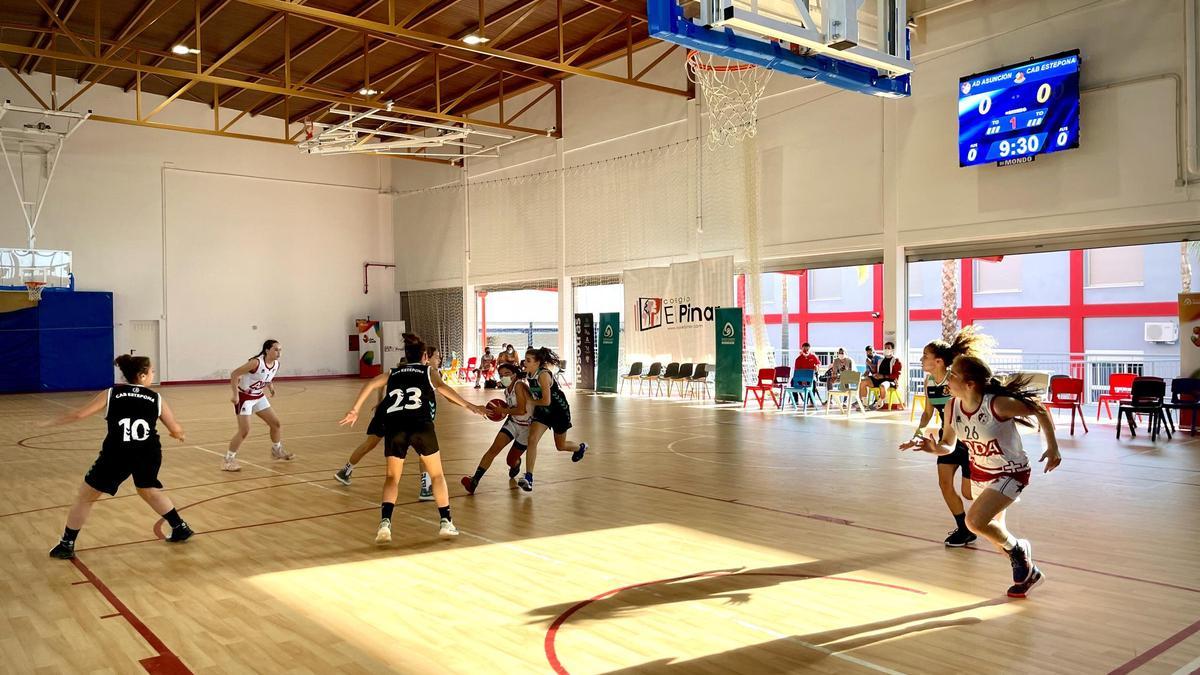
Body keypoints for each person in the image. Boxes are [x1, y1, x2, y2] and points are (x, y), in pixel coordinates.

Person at [899, 355, 1062, 598]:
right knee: (997, 538)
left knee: (974, 522)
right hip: (981, 474)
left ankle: (1020, 549)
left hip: (1011, 472)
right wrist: (935, 449)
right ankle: (1031, 573)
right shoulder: (952, 406)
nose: (948, 378)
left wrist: (1053, 446)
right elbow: (948, 445)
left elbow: (1039, 408)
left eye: (953, 375)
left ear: (970, 384)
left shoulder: (997, 405)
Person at [339, 334, 487, 542]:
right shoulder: (428, 371)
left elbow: (372, 383)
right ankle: (446, 522)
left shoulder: (394, 372)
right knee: (437, 476)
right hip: (420, 426)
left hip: (395, 427)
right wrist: (471, 406)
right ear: (425, 356)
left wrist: (355, 409)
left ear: (406, 356)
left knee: (392, 478)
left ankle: (385, 525)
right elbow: (444, 389)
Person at [44, 355, 192, 559]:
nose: (153, 375)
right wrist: (178, 434)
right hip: (148, 452)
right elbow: (175, 428)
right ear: (141, 376)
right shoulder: (156, 398)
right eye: (152, 372)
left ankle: (67, 543)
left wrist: (50, 423)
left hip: (117, 454)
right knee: (148, 490)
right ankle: (180, 526)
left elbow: (79, 415)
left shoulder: (111, 393)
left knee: (85, 497)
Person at [912, 327, 991, 547]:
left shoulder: (954, 380)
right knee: (945, 484)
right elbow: (927, 413)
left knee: (967, 493)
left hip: (968, 440)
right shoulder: (929, 382)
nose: (921, 359)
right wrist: (916, 434)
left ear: (938, 361)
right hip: (947, 438)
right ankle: (964, 530)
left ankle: (995, 506)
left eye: (925, 356)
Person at [333, 345, 439, 503]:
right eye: (437, 356)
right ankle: (425, 488)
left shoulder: (413, 370)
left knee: (370, 444)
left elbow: (380, 383)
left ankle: (346, 471)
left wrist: (380, 401)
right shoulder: (427, 373)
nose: (439, 359)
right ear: (426, 357)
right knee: (424, 450)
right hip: (402, 416)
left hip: (388, 411)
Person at [516, 347, 588, 492]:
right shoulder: (529, 373)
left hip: (559, 411)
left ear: (537, 363)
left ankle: (580, 448)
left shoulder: (543, 375)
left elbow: (546, 401)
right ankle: (529, 477)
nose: (525, 362)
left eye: (528, 360)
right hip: (543, 412)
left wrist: (529, 401)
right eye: (525, 359)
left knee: (560, 446)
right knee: (532, 439)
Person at [461, 362, 532, 494]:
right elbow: (513, 409)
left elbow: (522, 410)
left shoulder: (519, 385)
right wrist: (503, 412)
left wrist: (503, 410)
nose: (503, 377)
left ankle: (516, 464)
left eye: (507, 374)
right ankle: (474, 481)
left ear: (515, 375)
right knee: (493, 449)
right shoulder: (507, 390)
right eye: (501, 375)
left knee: (510, 460)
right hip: (513, 422)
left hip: (527, 427)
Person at [222, 339, 290, 471]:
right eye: (276, 349)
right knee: (244, 431)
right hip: (244, 398)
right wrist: (235, 395)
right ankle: (227, 460)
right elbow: (235, 374)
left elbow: (267, 377)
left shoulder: (276, 364)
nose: (279, 352)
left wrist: (271, 387)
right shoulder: (256, 362)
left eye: (280, 350)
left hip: (259, 396)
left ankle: (277, 450)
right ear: (267, 350)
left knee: (276, 424)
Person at [858, 342, 900, 409]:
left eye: (888, 348)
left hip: (889, 381)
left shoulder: (896, 361)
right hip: (878, 380)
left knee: (882, 386)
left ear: (892, 350)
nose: (886, 349)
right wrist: (875, 374)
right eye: (885, 348)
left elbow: (896, 375)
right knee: (862, 382)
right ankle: (865, 404)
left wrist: (883, 376)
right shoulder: (880, 361)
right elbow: (875, 371)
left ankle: (880, 402)